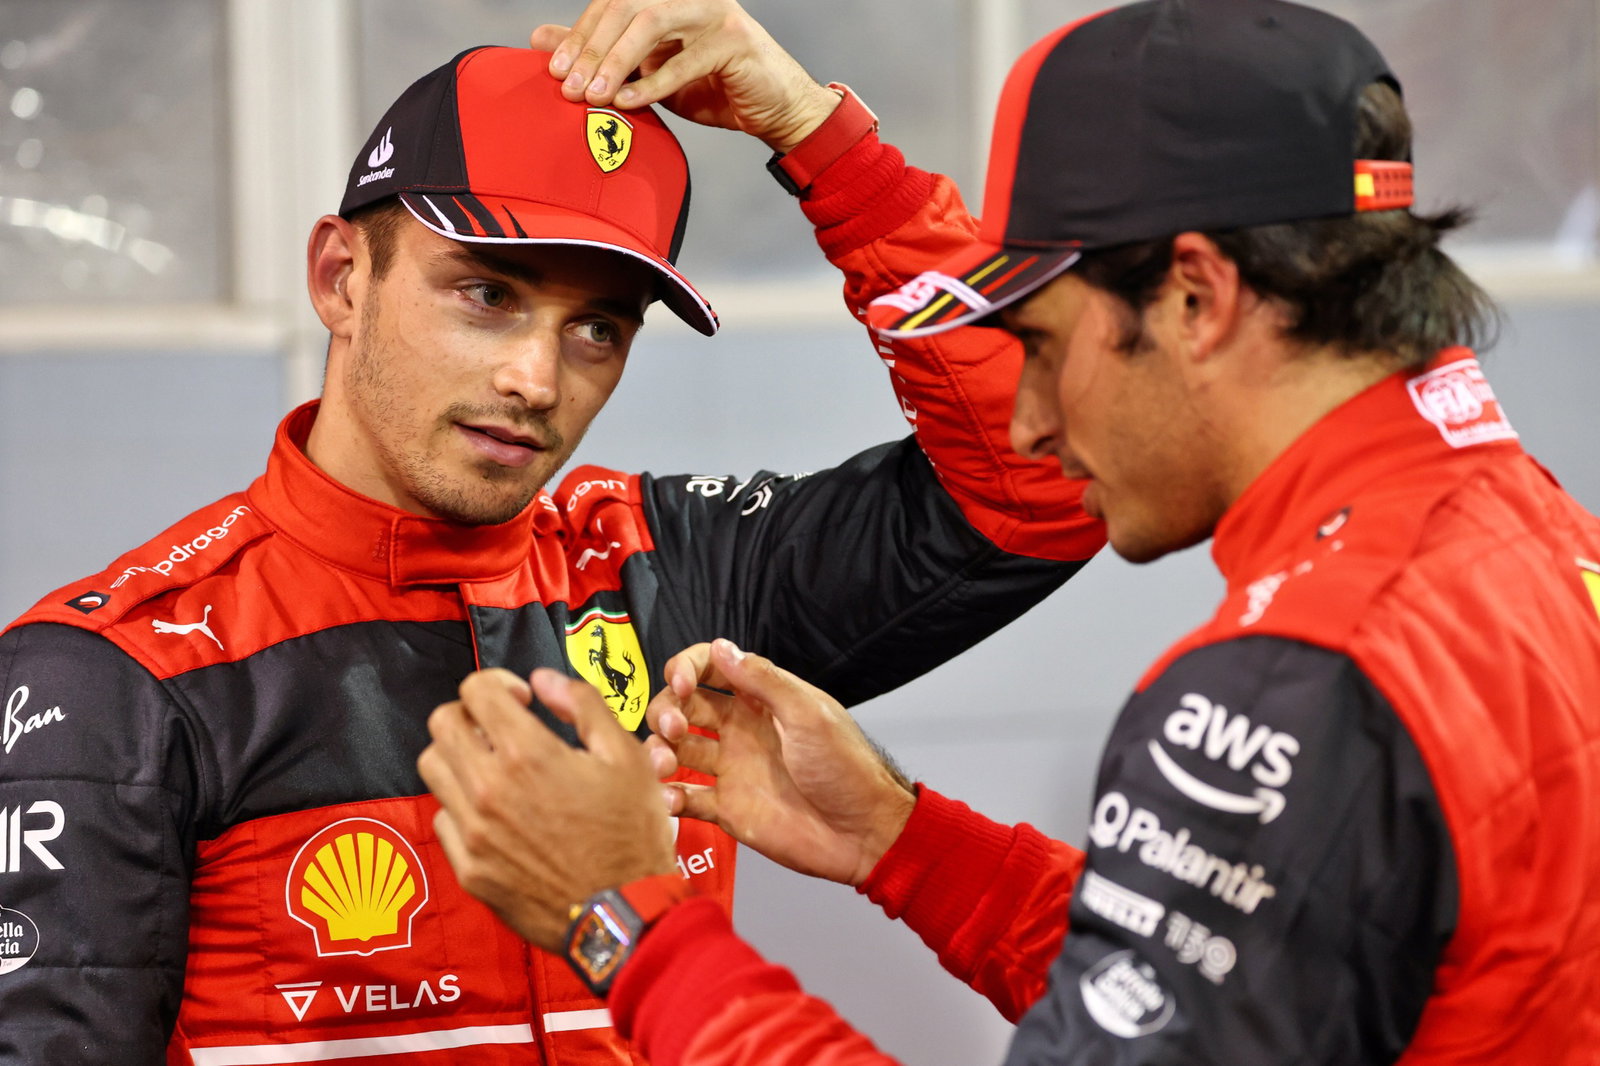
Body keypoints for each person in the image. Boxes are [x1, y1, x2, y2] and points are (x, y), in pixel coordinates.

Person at [418, 0, 1600, 1063]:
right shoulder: (1534, 532)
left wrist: (625, 915)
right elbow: (1240, 992)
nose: (1028, 421)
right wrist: (903, 840)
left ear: (1197, 297)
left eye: (1038, 344)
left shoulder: (1296, 683)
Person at [0, 7, 1104, 1063]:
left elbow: (1048, 477)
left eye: (596, 328)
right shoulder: (119, 674)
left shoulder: (674, 566)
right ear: (341, 277)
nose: (536, 379)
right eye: (485, 291)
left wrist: (816, 135)